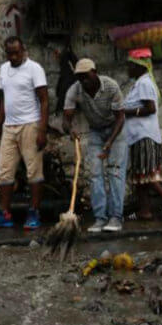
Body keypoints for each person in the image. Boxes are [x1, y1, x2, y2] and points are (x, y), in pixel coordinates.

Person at [0, 36, 48, 230]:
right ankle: (4, 213)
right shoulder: (4, 69)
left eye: (16, 53)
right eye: (10, 53)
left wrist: (42, 130)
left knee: (33, 171)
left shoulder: (34, 69)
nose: (13, 57)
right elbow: (4, 100)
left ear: (23, 51)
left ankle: (34, 212)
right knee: (4, 171)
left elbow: (44, 100)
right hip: (9, 127)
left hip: (30, 124)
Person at [62, 58, 127, 233]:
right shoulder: (75, 90)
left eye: (86, 76)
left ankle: (116, 217)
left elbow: (120, 118)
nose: (84, 80)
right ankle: (100, 218)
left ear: (95, 72)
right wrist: (70, 130)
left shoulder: (111, 86)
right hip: (96, 131)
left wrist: (110, 142)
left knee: (114, 172)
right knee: (95, 174)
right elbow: (66, 119)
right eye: (80, 77)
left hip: (116, 131)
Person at [123, 47, 162, 219]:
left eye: (130, 65)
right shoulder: (140, 83)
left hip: (144, 136)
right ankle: (144, 211)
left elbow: (150, 108)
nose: (128, 69)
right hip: (138, 136)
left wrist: (126, 112)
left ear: (139, 66)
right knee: (140, 177)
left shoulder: (144, 84)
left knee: (146, 175)